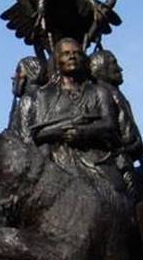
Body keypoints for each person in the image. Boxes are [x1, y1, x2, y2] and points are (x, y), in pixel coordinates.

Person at [30, 39, 123, 185]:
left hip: (96, 161)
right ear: (57, 60)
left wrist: (83, 131)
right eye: (66, 53)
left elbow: (110, 124)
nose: (72, 56)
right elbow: (38, 132)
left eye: (77, 53)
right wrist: (64, 130)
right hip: (59, 163)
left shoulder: (99, 91)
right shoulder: (45, 95)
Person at [89, 49, 143, 197]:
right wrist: (134, 145)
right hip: (119, 164)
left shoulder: (113, 93)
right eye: (113, 64)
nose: (119, 69)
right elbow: (126, 135)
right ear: (100, 68)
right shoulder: (107, 94)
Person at [7, 55, 46, 140]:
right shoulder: (47, 95)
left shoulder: (27, 100)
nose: (13, 77)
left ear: (23, 77)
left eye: (17, 72)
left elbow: (24, 138)